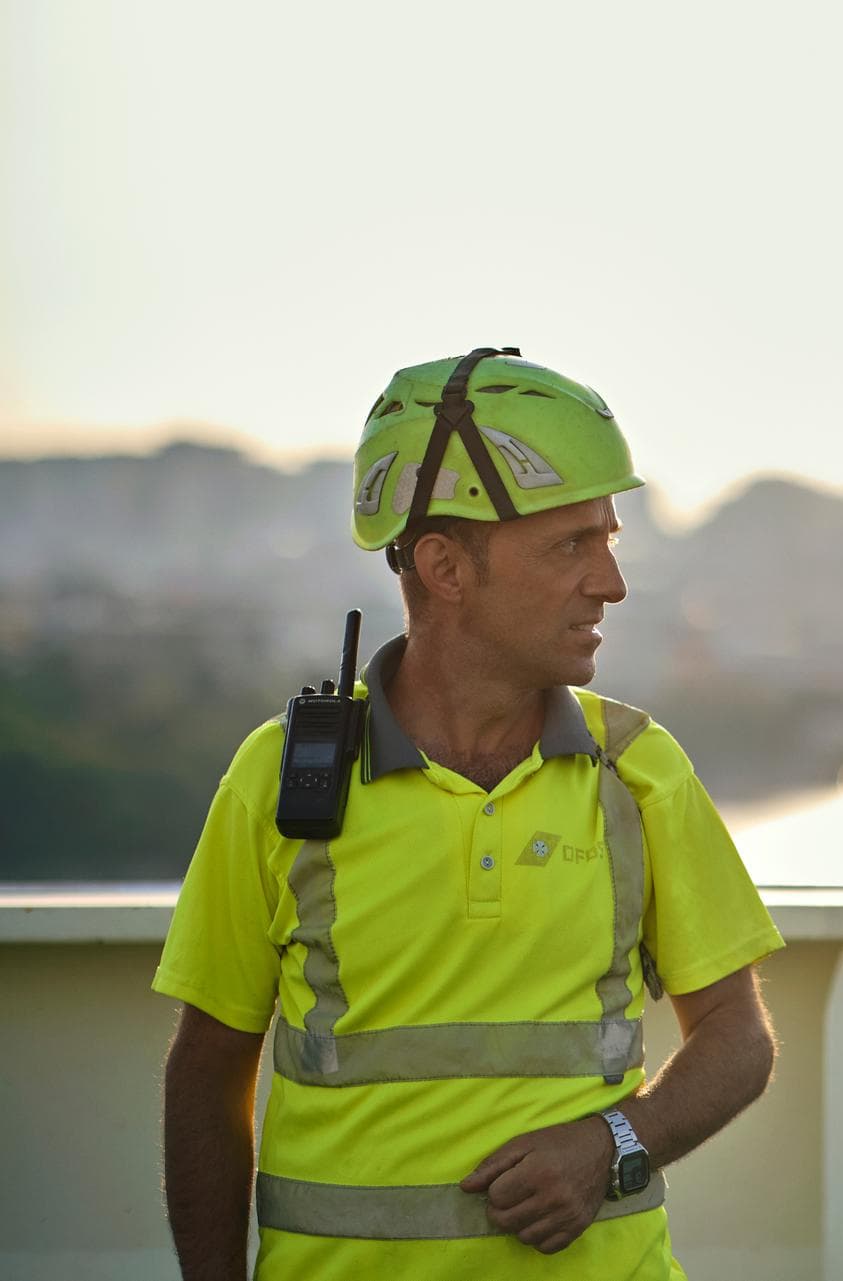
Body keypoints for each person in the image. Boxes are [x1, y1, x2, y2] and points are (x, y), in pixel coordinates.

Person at [153, 348, 784, 1281]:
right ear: (446, 567)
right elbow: (208, 1071)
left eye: (609, 539)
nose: (610, 583)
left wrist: (612, 1141)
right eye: (572, 544)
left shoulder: (637, 770)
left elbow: (739, 1036)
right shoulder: (279, 779)